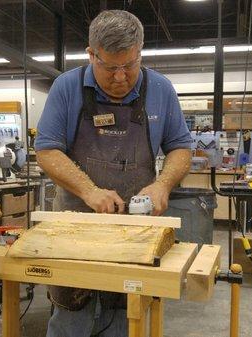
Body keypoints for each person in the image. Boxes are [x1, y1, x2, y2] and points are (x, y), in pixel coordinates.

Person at [34, 10, 192, 337]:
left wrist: (163, 184)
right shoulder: (67, 87)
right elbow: (47, 150)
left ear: (140, 53)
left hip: (137, 231)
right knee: (70, 320)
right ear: (91, 54)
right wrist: (90, 192)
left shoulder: (161, 89)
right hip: (75, 229)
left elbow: (181, 147)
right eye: (110, 67)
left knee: (126, 316)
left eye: (129, 65)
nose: (121, 77)